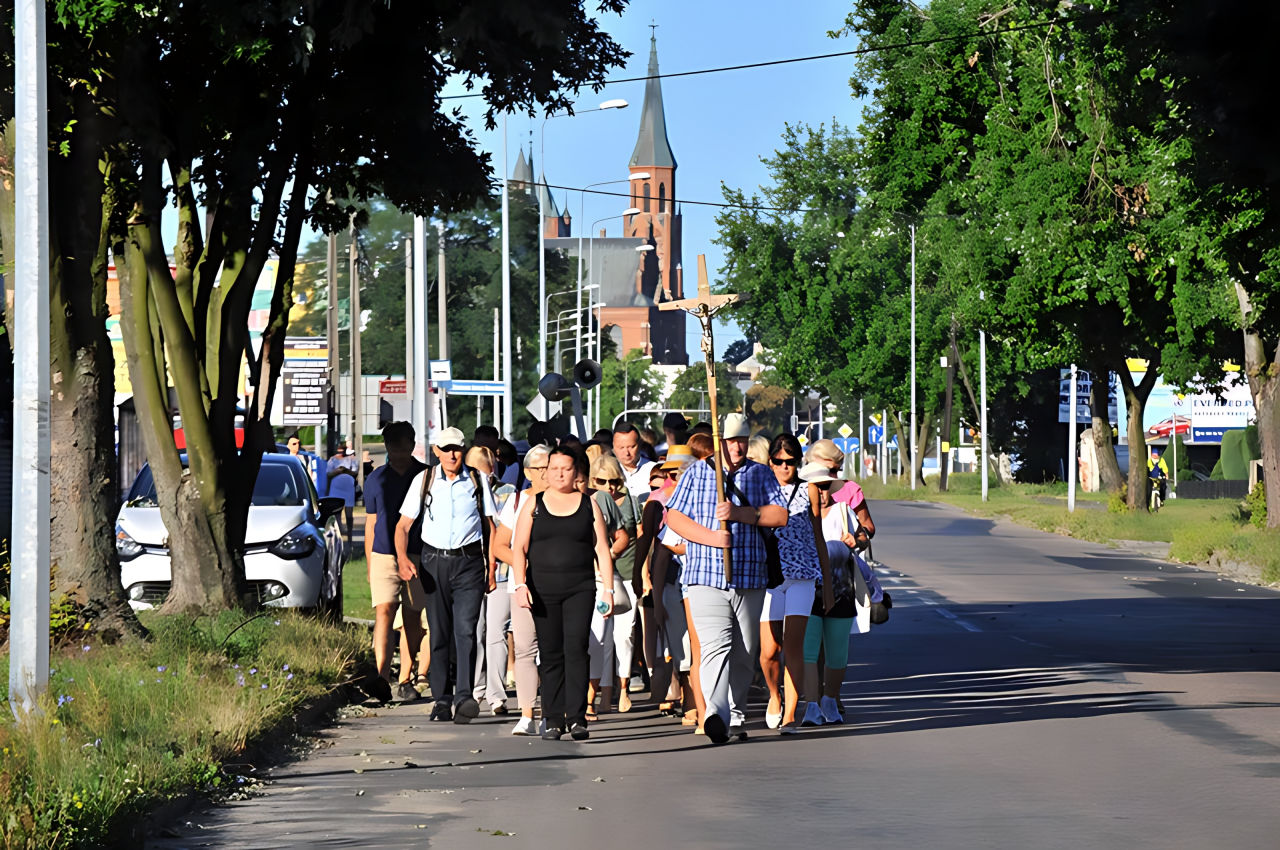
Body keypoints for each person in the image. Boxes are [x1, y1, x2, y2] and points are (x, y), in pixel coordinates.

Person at [664, 412, 788, 744]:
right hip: (705, 575)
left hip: (749, 575)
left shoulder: (760, 475)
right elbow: (673, 516)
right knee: (715, 645)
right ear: (720, 442)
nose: (737, 447)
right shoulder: (697, 473)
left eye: (742, 440)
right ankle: (716, 714)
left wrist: (739, 514)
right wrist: (709, 537)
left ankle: (735, 712)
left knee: (745, 650)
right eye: (731, 441)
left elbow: (780, 515)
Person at [511, 446, 616, 741]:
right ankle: (553, 719)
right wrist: (520, 585)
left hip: (580, 589)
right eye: (554, 468)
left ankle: (578, 717)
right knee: (551, 653)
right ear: (545, 472)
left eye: (566, 468)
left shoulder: (588, 504)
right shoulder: (534, 504)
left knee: (577, 650)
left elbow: (602, 550)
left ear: (576, 472)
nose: (559, 474)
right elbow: (518, 548)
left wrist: (607, 589)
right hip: (541, 590)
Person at [395, 427, 498, 724]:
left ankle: (465, 696)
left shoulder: (477, 480)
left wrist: (491, 567)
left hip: (468, 563)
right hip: (433, 562)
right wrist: (402, 559)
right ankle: (442, 699)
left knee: (466, 630)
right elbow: (403, 526)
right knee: (439, 631)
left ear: (463, 450)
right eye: (446, 449)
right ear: (436, 451)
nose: (452, 454)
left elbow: (491, 527)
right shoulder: (424, 480)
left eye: (457, 448)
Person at [760, 434, 830, 734]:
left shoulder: (809, 490)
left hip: (801, 575)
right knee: (769, 650)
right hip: (769, 577)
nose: (784, 467)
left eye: (790, 462)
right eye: (779, 461)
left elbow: (818, 536)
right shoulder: (760, 489)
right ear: (770, 461)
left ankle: (790, 714)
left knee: (794, 646)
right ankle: (774, 695)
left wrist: (826, 582)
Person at [803, 461, 876, 726]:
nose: (822, 494)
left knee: (837, 654)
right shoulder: (798, 515)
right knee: (808, 651)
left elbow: (865, 536)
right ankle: (811, 705)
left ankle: (829, 699)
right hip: (808, 589)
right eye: (816, 488)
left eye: (826, 488)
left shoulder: (843, 511)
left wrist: (856, 540)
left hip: (841, 587)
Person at [362, 421, 428, 704]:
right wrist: (369, 562)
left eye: (404, 447)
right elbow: (371, 522)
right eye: (394, 448)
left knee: (412, 616)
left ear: (412, 446)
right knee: (384, 612)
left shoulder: (425, 476)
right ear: (387, 448)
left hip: (417, 553)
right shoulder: (376, 478)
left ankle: (407, 676)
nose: (399, 453)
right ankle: (381, 676)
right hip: (382, 554)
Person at [489, 445, 551, 735]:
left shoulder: (567, 500)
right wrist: (524, 562)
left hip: (558, 585)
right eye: (541, 468)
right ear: (528, 473)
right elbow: (500, 545)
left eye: (552, 466)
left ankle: (552, 711)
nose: (549, 473)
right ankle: (527, 713)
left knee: (553, 651)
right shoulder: (516, 503)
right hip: (522, 586)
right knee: (526, 649)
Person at [587, 454, 640, 716]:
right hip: (582, 578)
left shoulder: (614, 500)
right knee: (598, 640)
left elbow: (628, 536)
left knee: (616, 637)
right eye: (601, 481)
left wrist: (606, 557)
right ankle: (595, 696)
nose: (608, 486)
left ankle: (610, 693)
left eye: (614, 481)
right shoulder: (590, 498)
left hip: (613, 577)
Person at [613, 422, 657, 502]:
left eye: (631, 447)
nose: (627, 453)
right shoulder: (607, 473)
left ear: (640, 444)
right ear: (613, 447)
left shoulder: (654, 470)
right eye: (621, 448)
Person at [327, 442, 359, 546]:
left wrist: (345, 471)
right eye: (339, 450)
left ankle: (350, 536)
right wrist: (338, 471)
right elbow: (328, 474)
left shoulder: (351, 459)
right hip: (336, 488)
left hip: (348, 488)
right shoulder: (332, 460)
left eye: (342, 450)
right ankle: (339, 536)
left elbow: (355, 473)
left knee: (349, 514)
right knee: (337, 514)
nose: (341, 453)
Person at [285, 433, 328, 497]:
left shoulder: (306, 458)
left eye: (298, 443)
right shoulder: (285, 459)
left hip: (304, 486)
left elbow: (310, 473)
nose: (296, 446)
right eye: (294, 444)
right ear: (288, 446)